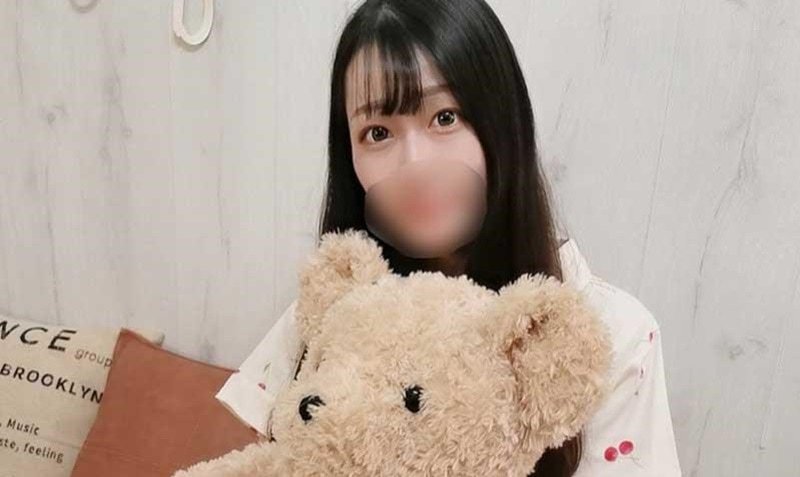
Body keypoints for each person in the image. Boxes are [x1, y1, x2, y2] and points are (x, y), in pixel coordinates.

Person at [217, 0, 683, 475]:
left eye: (445, 117)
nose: (415, 166)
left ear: (503, 121)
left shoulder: (614, 335)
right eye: (377, 132)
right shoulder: (337, 311)